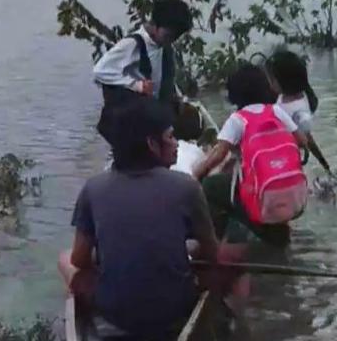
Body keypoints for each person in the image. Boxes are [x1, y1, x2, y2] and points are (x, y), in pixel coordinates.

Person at [57, 98, 222, 339]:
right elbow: (213, 254)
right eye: (170, 137)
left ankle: (85, 324)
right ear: (151, 144)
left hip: (115, 313)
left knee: (65, 258)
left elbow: (79, 260)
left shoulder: (93, 188)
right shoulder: (187, 186)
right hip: (175, 309)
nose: (176, 144)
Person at [192, 63, 308, 246]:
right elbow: (302, 141)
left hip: (258, 190)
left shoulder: (238, 119)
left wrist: (195, 175)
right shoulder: (276, 111)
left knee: (210, 186)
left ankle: (216, 243)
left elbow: (218, 155)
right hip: (292, 192)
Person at [93, 0, 193, 145]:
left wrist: (177, 96)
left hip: (153, 114)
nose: (170, 41)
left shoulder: (163, 47)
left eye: (174, 38)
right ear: (155, 25)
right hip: (131, 117)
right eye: (167, 36)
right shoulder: (133, 44)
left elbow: (163, 77)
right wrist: (136, 85)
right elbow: (100, 71)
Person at [264, 49, 333, 174]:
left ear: (281, 81)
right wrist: (324, 164)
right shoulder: (300, 97)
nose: (269, 84)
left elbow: (306, 140)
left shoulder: (291, 109)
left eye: (271, 80)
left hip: (284, 163)